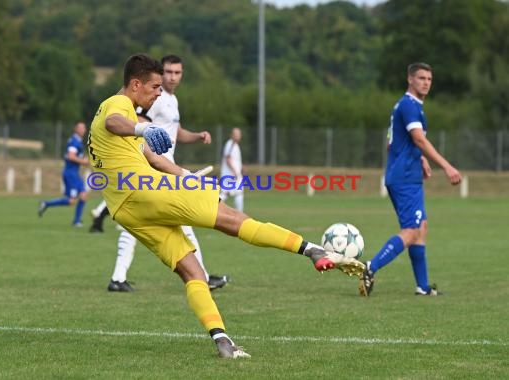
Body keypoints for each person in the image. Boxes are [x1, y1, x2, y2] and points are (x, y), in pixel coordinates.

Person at [87, 53, 364, 359]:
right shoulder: (119, 106)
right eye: (154, 86)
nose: (159, 92)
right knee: (232, 219)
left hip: (126, 210)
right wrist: (142, 129)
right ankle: (312, 249)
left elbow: (151, 158)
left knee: (193, 272)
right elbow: (116, 123)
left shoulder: (111, 112)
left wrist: (186, 177)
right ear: (136, 84)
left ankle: (222, 341)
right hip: (147, 192)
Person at [101, 54, 228, 292]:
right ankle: (201, 276)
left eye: (177, 73)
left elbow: (176, 132)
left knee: (137, 224)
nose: (172, 77)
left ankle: (118, 278)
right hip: (153, 167)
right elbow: (134, 124)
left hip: (167, 167)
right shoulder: (153, 98)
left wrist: (197, 136)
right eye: (168, 72)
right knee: (184, 218)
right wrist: (147, 155)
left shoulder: (171, 99)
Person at [359, 62, 462, 297]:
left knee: (421, 227)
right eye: (421, 78)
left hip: (407, 174)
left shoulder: (409, 106)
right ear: (410, 79)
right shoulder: (409, 105)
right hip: (404, 177)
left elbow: (393, 142)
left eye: (429, 79)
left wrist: (422, 161)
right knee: (411, 230)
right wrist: (446, 166)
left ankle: (422, 286)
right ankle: (369, 268)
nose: (426, 82)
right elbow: (418, 140)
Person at [38, 122, 89, 226]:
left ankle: (77, 221)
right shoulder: (74, 141)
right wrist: (83, 161)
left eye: (84, 127)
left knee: (84, 195)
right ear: (75, 129)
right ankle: (46, 203)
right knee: (71, 201)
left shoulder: (77, 141)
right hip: (70, 174)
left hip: (75, 174)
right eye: (80, 127)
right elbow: (71, 156)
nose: (83, 129)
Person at [219, 127, 244, 211]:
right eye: (236, 134)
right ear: (232, 135)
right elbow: (228, 159)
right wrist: (235, 171)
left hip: (232, 174)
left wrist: (240, 167)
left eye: (239, 134)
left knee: (227, 193)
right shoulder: (231, 144)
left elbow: (234, 160)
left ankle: (215, 208)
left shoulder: (235, 145)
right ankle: (240, 214)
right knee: (236, 193)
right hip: (231, 174)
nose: (238, 136)